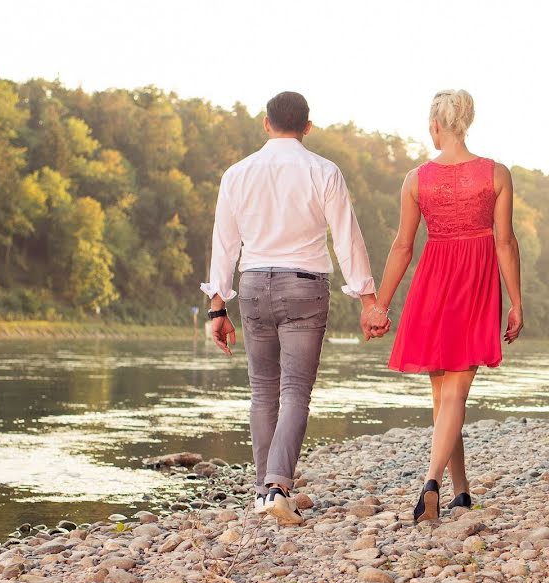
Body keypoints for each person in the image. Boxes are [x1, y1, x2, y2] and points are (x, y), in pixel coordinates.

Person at [200, 91, 387, 525]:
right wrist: (368, 300)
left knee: (263, 391)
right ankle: (278, 487)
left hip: (252, 285)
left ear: (266, 124)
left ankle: (263, 492)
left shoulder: (237, 173)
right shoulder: (324, 171)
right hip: (304, 286)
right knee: (294, 391)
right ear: (307, 126)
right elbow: (347, 237)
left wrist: (216, 308)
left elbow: (224, 244)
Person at [371, 89, 524, 522]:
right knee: (452, 395)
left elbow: (403, 246)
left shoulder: (416, 179)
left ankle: (461, 491)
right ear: (466, 123)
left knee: (444, 398)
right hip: (475, 279)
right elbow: (506, 243)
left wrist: (381, 305)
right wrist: (516, 302)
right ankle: (432, 483)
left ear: (436, 125)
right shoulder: (496, 174)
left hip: (433, 280)